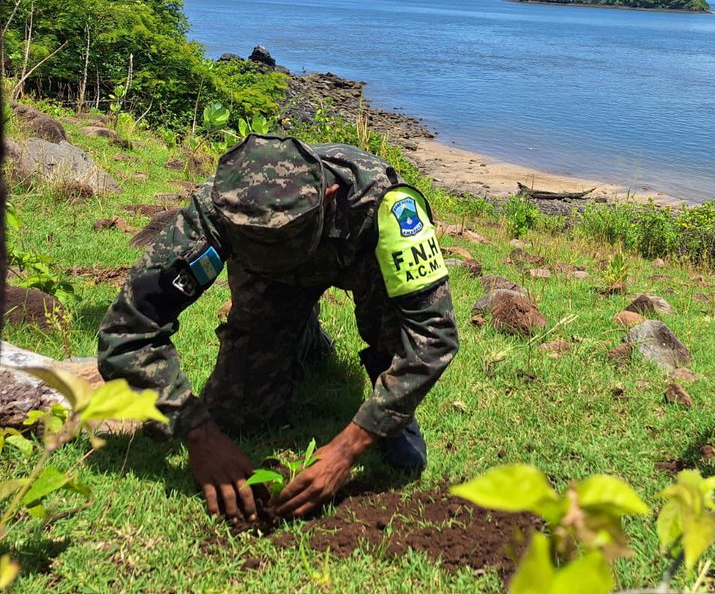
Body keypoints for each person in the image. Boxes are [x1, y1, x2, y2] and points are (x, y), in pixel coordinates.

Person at [97, 134, 459, 522]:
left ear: (330, 196)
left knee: (390, 327)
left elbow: (433, 335)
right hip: (272, 286)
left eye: (278, 241)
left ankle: (391, 409)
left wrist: (349, 447)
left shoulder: (387, 205)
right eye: (253, 241)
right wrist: (198, 433)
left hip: (365, 267)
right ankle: (299, 334)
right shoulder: (218, 205)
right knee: (237, 415)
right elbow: (126, 328)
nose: (267, 251)